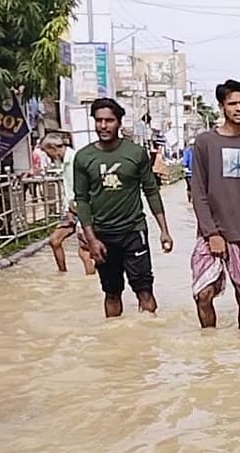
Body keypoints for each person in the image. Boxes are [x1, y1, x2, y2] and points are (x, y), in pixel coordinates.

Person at [73, 98, 174, 318]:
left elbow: (151, 191)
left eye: (109, 120)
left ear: (119, 122)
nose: (103, 126)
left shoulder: (136, 153)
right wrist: (91, 240)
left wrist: (164, 231)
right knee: (111, 293)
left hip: (133, 232)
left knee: (144, 290)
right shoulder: (83, 157)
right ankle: (112, 336)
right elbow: (82, 200)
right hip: (102, 236)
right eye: (98, 120)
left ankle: (149, 334)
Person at [189, 79, 240, 330]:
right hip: (210, 233)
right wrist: (212, 233)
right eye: (232, 104)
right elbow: (198, 192)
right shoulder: (205, 142)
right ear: (222, 107)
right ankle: (210, 347)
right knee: (203, 295)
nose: (239, 108)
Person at [40, 133, 95, 275]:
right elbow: (69, 189)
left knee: (84, 251)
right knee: (55, 240)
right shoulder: (65, 162)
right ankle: (62, 274)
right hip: (72, 210)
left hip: (84, 210)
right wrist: (68, 210)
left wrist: (82, 220)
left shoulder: (76, 160)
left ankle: (92, 280)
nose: (48, 157)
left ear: (53, 148)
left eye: (47, 152)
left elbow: (85, 190)